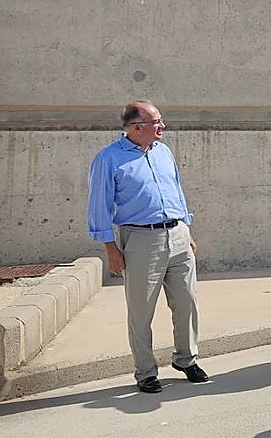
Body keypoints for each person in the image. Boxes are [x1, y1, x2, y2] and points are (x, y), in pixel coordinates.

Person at [87, 102, 206, 394]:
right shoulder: (108, 159)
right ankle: (145, 371)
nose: (162, 127)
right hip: (140, 240)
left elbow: (176, 189)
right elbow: (98, 205)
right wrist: (110, 249)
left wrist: (186, 228)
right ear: (136, 127)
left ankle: (186, 359)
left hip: (177, 235)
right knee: (141, 310)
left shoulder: (163, 152)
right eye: (157, 122)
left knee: (187, 301)